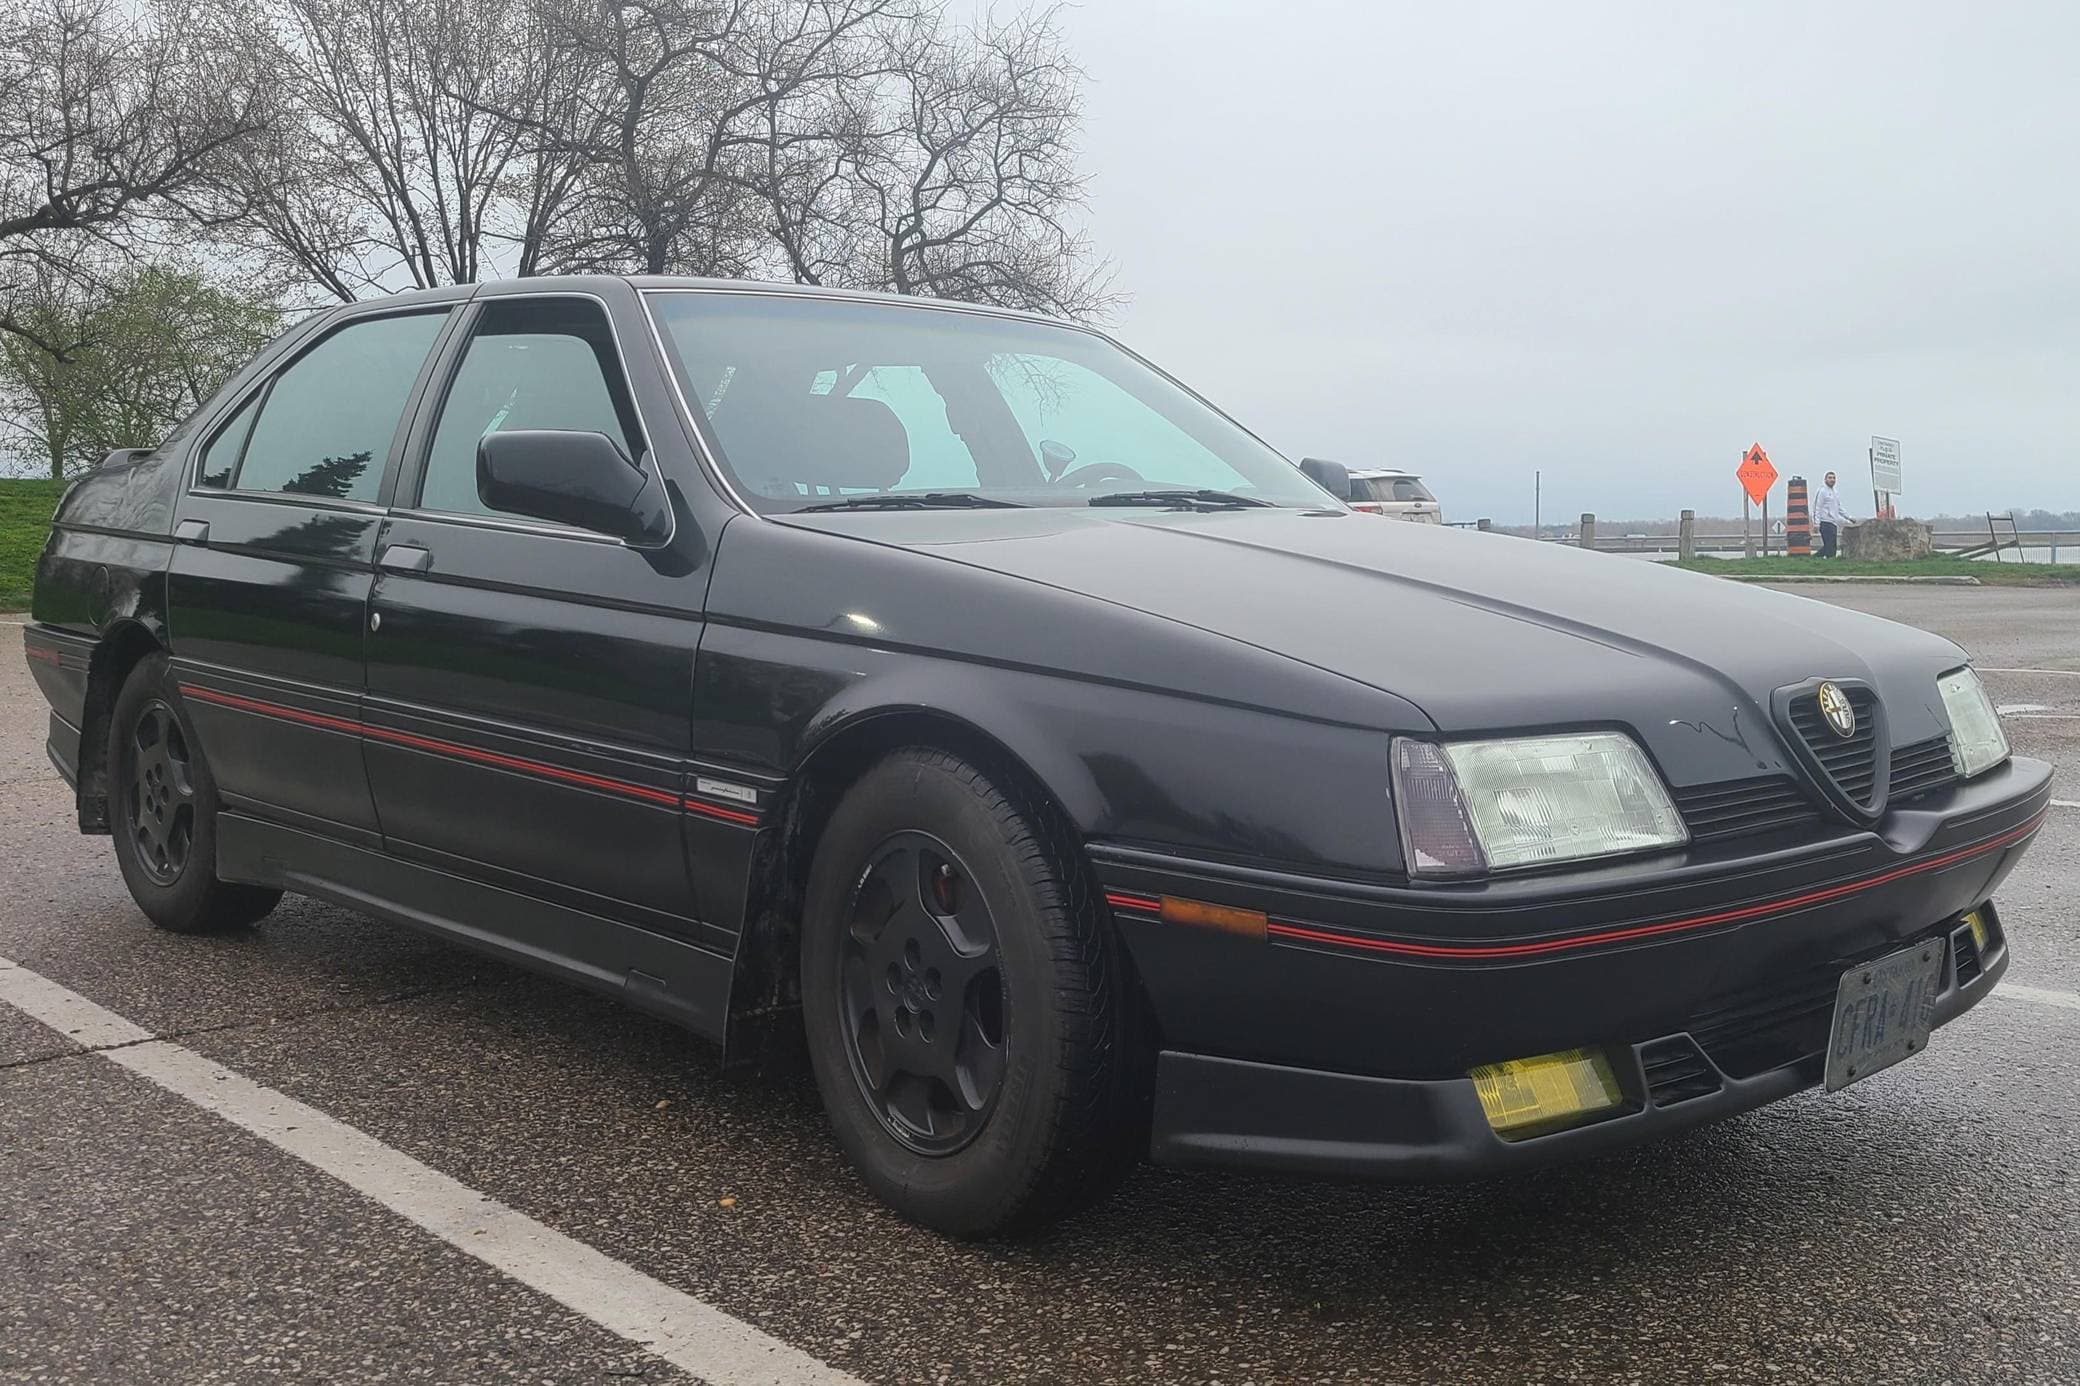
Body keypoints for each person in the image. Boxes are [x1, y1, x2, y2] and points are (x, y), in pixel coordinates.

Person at [1813, 470, 1850, 558]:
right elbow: (1817, 507)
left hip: (1833, 522)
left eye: (1834, 478)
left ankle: (1815, 558)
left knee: (1832, 546)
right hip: (1824, 521)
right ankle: (1824, 559)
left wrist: (1849, 517)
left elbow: (1839, 508)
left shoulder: (1835, 492)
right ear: (1825, 479)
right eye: (1830, 478)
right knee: (1829, 545)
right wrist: (1816, 523)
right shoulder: (1822, 491)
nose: (1832, 480)